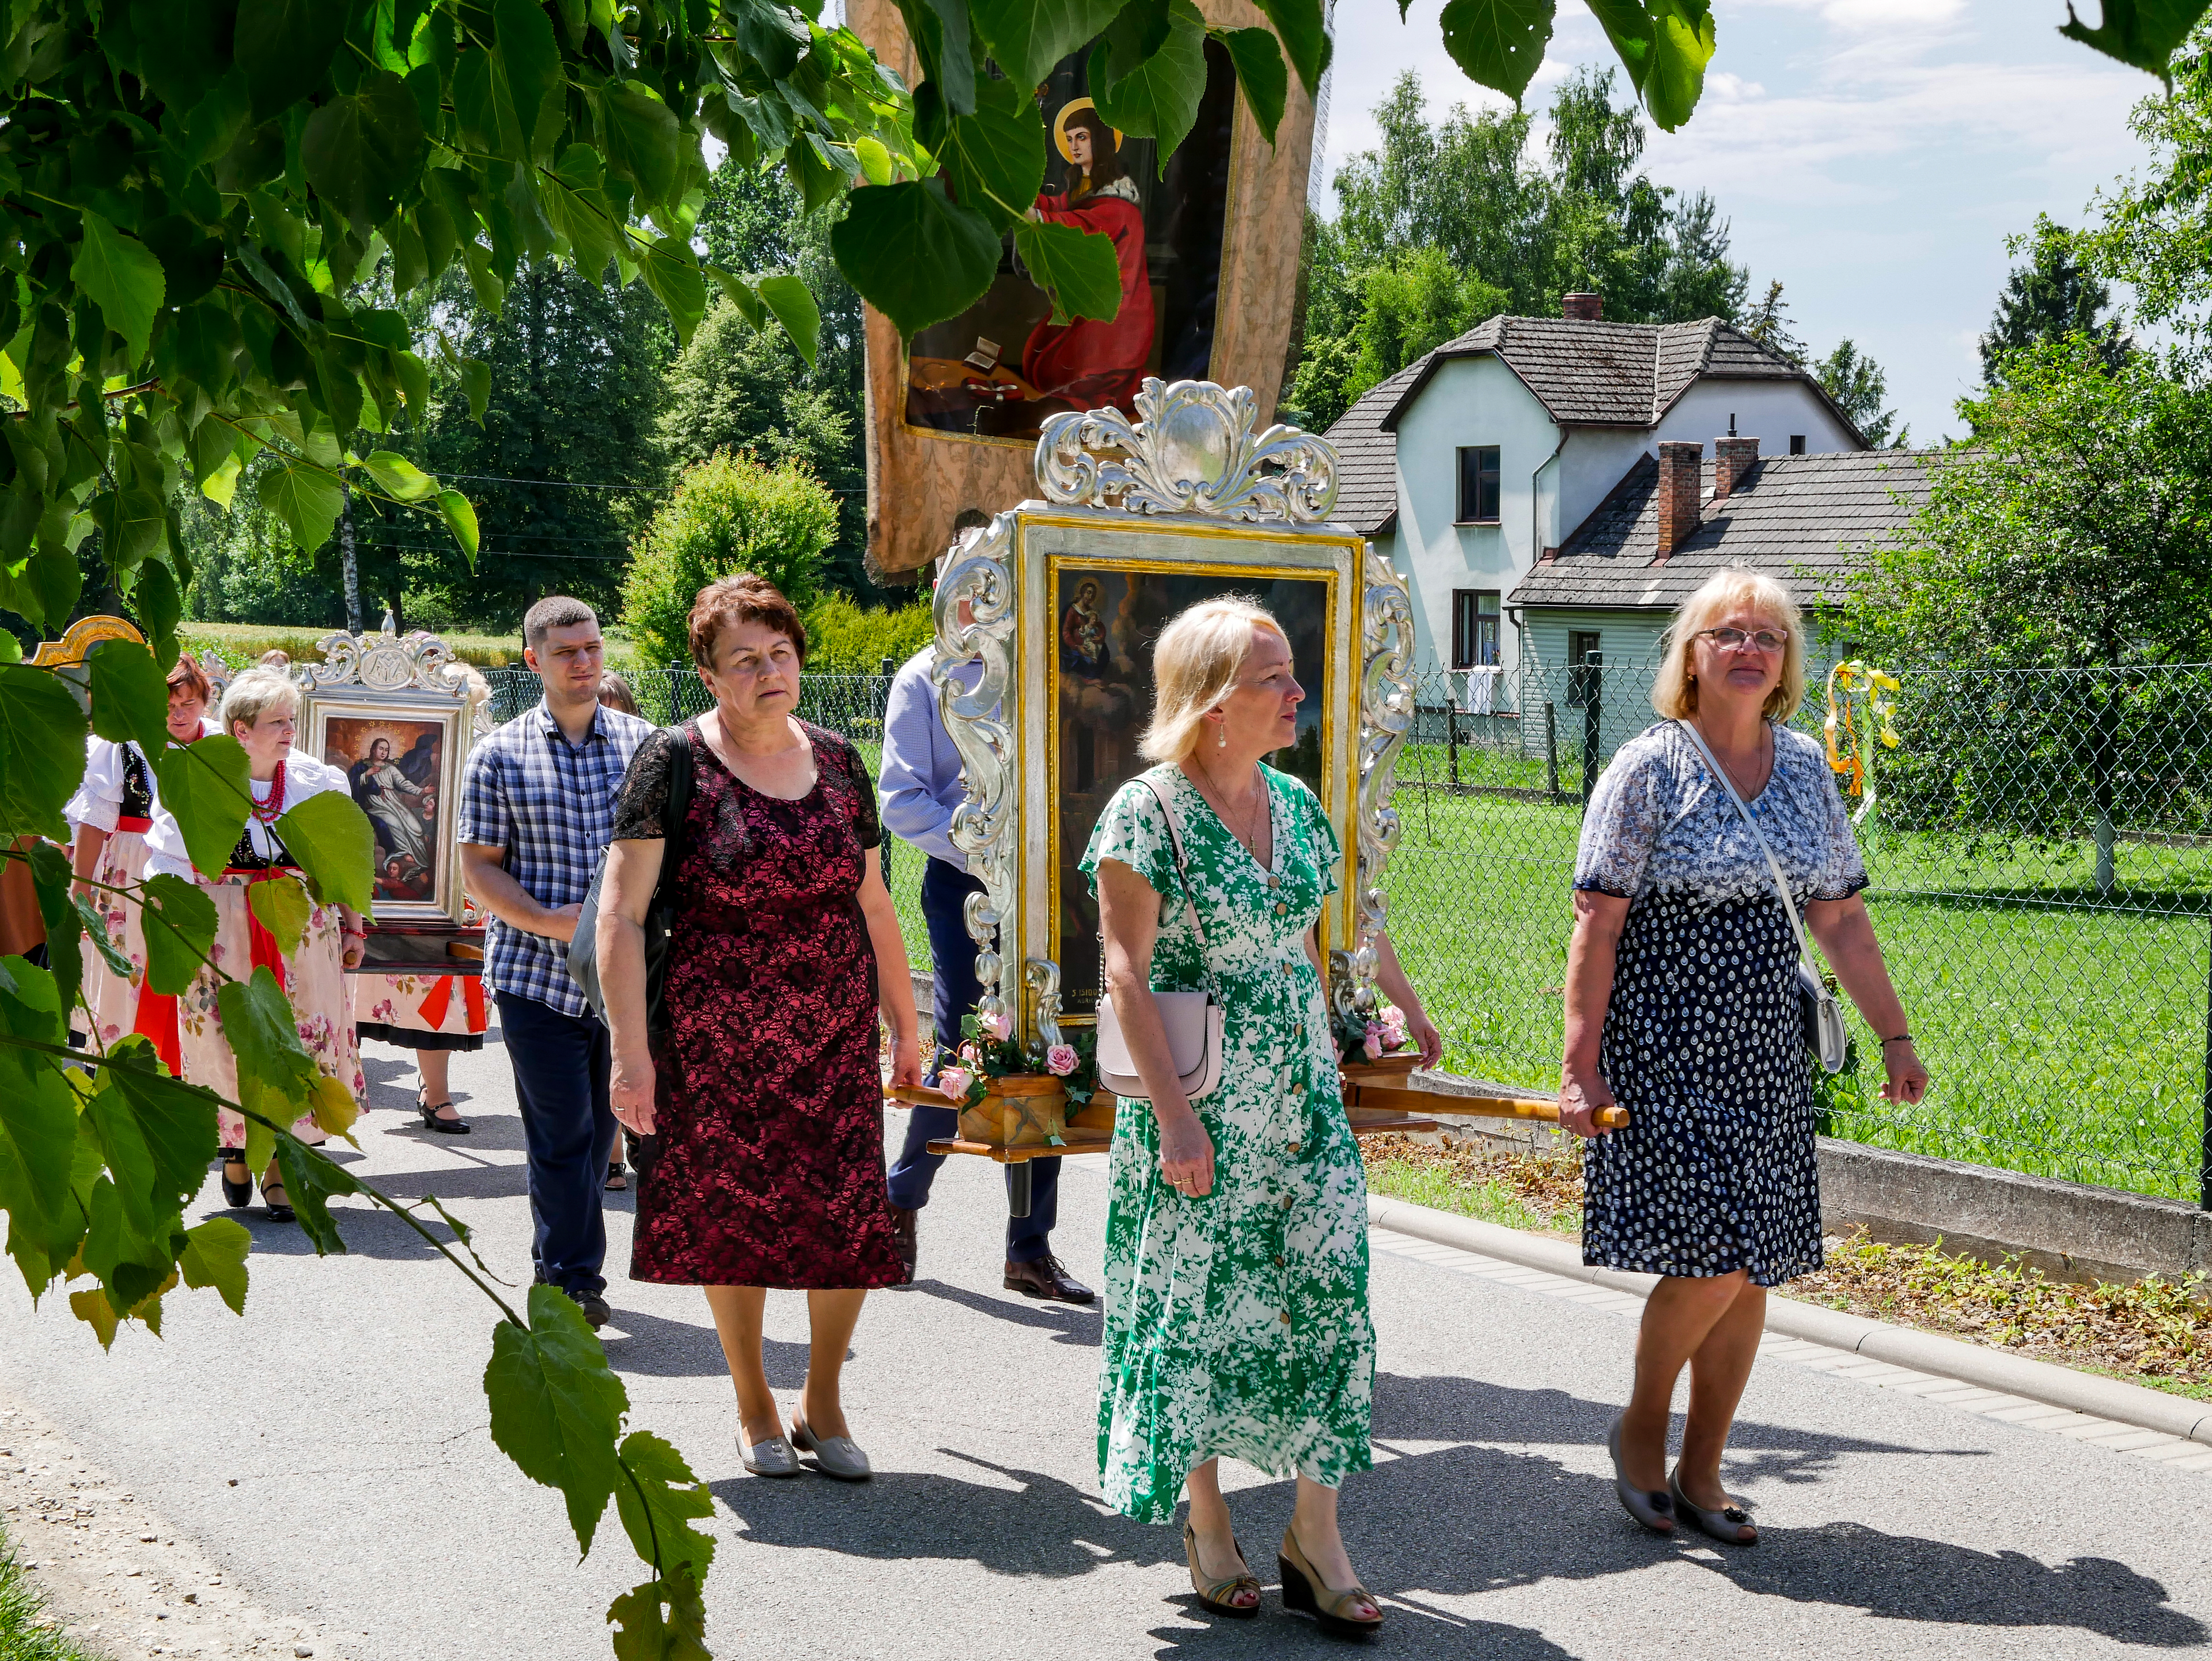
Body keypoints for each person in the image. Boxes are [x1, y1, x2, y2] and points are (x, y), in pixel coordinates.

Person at [1083, 597, 1439, 1634]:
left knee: (1332, 1292)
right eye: (1273, 677)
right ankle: (1209, 1522)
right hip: (1197, 1110)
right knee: (1195, 1306)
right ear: (1211, 701)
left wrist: (1401, 1002)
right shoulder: (1144, 815)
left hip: (1303, 1103)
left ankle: (1315, 1534)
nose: (1296, 692)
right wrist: (1181, 1121)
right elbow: (1124, 975)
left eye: (1291, 673)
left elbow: (1334, 934)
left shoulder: (1297, 803)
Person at [1559, 568, 1929, 1546]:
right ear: (1692, 652)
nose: (1751, 647)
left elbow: (1840, 917)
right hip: (1665, 1044)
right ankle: (1641, 1428)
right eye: (1729, 631)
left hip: (1767, 1050)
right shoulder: (1648, 767)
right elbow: (1597, 920)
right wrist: (1578, 1062)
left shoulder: (1806, 766)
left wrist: (1894, 1032)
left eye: (1770, 635)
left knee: (1752, 1266)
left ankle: (1706, 1466)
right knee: (1716, 1257)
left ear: (1785, 664)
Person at [599, 573, 921, 1481]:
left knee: (846, 1212)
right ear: (707, 671)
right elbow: (622, 916)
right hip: (713, 1039)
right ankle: (753, 1399)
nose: (767, 670)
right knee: (727, 1216)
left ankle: (823, 1399)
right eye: (744, 658)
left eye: (780, 653)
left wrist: (906, 1023)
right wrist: (632, 1055)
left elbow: (874, 902)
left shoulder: (839, 759)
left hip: (833, 1034)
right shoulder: (673, 763)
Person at [879, 545, 1094, 1304]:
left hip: (1050, 887)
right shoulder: (922, 678)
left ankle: (1028, 1248)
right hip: (965, 887)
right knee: (966, 1050)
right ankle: (900, 1200)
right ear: (941, 594)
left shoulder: (1040, 668)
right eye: (964, 589)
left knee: (1053, 1046)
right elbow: (902, 801)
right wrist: (984, 848)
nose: (980, 603)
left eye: (991, 587)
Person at [459, 596, 652, 1329]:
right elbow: (480, 868)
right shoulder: (500, 753)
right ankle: (570, 1278)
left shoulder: (645, 747)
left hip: (623, 982)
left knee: (603, 1132)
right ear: (534, 659)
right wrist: (551, 922)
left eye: (594, 647)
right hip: (535, 978)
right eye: (567, 651)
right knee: (561, 1132)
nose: (585, 662)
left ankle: (564, 1267)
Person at [145, 668, 367, 1223]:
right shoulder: (201, 776)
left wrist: (354, 925)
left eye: (291, 720)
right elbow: (167, 864)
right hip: (225, 926)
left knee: (301, 1035)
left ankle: (279, 1165)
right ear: (241, 730)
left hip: (299, 930)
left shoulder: (315, 781)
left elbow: (342, 860)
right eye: (276, 722)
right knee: (230, 1037)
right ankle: (241, 1149)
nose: (289, 730)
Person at [66, 652, 216, 1064]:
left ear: (206, 701)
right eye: (169, 706)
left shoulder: (220, 746)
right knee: (132, 965)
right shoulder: (124, 748)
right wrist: (81, 887)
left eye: (189, 704)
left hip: (199, 870)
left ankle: (193, 1061)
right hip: (131, 869)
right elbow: (94, 823)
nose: (180, 714)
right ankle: (126, 1058)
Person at [1020, 99, 1154, 412]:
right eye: (1069, 139)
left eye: (1081, 137)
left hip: (1116, 313)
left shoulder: (1118, 201)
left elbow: (1084, 226)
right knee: (1038, 359)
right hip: (1090, 299)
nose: (1074, 147)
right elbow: (1059, 207)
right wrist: (1023, 194)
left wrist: (1036, 217)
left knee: (1060, 372)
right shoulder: (1087, 185)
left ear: (1101, 139)